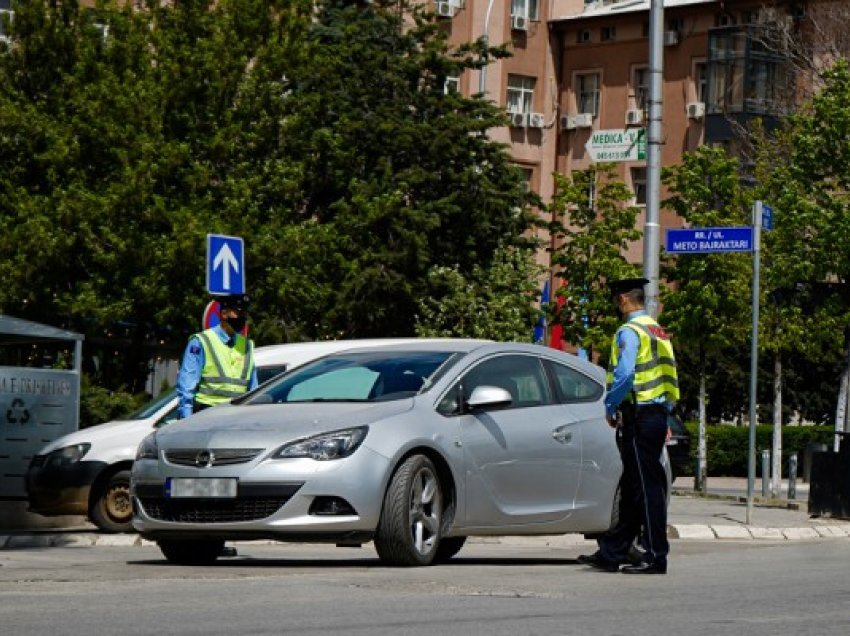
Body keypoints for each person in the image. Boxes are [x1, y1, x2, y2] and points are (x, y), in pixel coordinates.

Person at [579, 277, 679, 574]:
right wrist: (666, 414)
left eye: (614, 299)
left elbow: (624, 374)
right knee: (634, 485)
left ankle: (655, 555)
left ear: (623, 299)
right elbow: (666, 376)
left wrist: (610, 405)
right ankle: (613, 552)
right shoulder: (656, 330)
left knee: (647, 488)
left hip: (639, 415)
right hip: (655, 414)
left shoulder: (630, 331)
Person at [175, 293, 258, 420]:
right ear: (224, 313)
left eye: (245, 314)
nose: (243, 317)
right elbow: (186, 388)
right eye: (239, 312)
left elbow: (253, 390)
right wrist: (187, 421)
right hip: (207, 414)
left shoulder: (247, 345)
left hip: (237, 417)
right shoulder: (201, 341)